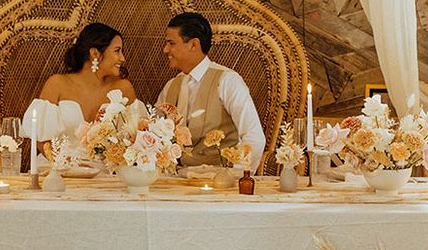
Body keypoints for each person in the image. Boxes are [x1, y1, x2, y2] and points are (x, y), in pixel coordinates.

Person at [157, 12, 265, 170]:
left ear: (193, 44)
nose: (165, 49)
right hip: (174, 182)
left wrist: (236, 178)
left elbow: (254, 138)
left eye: (171, 43)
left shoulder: (228, 81)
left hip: (219, 185)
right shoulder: (171, 86)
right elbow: (154, 134)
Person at [23, 23, 137, 152]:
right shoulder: (57, 84)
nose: (122, 58)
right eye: (117, 51)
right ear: (94, 53)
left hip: (108, 170)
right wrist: (64, 165)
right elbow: (42, 141)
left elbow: (136, 137)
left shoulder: (123, 88)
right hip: (60, 168)